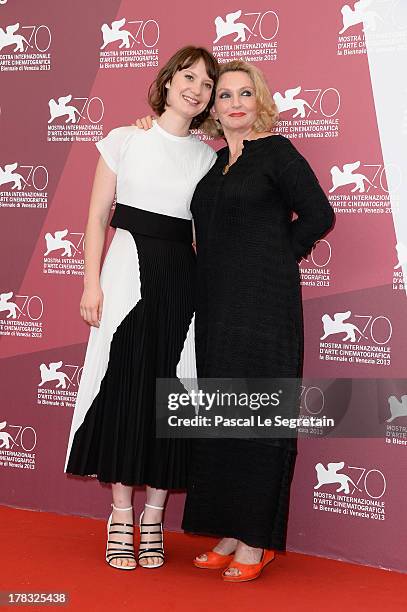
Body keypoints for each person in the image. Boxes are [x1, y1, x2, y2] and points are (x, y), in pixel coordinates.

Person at [136, 59, 335, 582]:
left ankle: (257, 539)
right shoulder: (213, 162)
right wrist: (144, 132)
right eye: (224, 95)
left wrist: (274, 258)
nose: (235, 103)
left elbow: (319, 214)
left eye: (245, 93)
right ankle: (229, 529)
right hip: (216, 306)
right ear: (214, 108)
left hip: (266, 306)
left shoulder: (278, 153)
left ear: (260, 100)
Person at [64, 46, 219, 571]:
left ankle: (154, 517)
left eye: (205, 83)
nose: (195, 88)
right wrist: (90, 283)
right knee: (125, 387)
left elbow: (209, 232)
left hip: (181, 281)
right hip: (126, 274)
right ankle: (122, 516)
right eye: (188, 76)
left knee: (170, 393)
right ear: (169, 80)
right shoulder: (123, 140)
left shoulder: (207, 158)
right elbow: (95, 217)